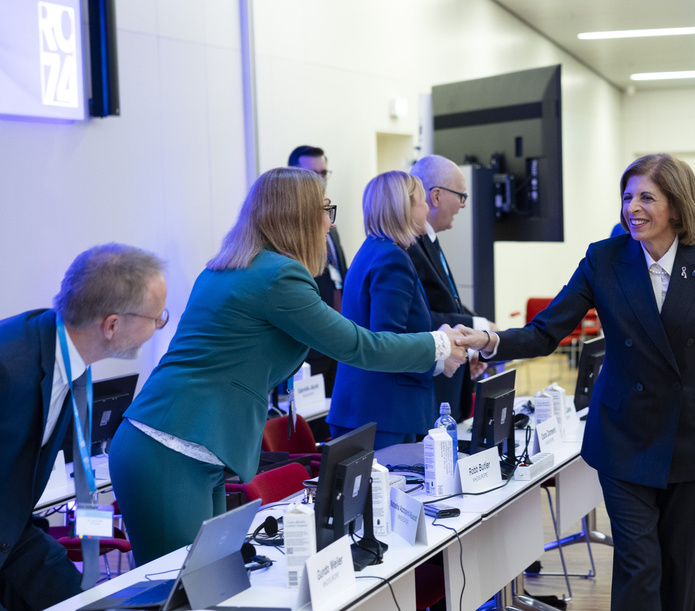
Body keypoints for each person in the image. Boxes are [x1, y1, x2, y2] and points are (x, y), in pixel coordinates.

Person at [108, 167, 468, 565]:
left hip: (185, 441)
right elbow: (356, 345)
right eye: (325, 209)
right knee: (182, 587)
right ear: (299, 215)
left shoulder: (233, 266)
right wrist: (439, 343)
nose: (329, 222)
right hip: (173, 444)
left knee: (208, 582)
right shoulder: (278, 277)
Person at [459, 154, 695, 611]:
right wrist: (489, 339)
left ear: (676, 207)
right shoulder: (604, 258)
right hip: (624, 438)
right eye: (627, 196)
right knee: (640, 566)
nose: (631, 208)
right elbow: (545, 331)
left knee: (687, 568)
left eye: (646, 197)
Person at [0, 244, 167, 611]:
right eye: (156, 318)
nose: (158, 327)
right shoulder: (10, 368)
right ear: (112, 324)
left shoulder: (65, 357)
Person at [328, 171, 457, 448]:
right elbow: (387, 344)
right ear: (405, 208)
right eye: (422, 201)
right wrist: (439, 353)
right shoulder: (392, 258)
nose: (426, 208)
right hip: (384, 412)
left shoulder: (374, 249)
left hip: (371, 409)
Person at [407, 155, 496, 420]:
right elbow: (419, 318)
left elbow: (449, 303)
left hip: (447, 383)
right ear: (435, 197)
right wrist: (480, 327)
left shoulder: (430, 241)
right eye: (461, 196)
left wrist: (470, 345)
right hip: (428, 389)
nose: (463, 204)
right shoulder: (408, 247)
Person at [288, 145, 347, 396]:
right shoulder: (290, 231)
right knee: (309, 425)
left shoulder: (329, 226)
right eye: (313, 174)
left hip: (338, 341)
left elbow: (338, 275)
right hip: (308, 346)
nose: (320, 180)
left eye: (323, 173)